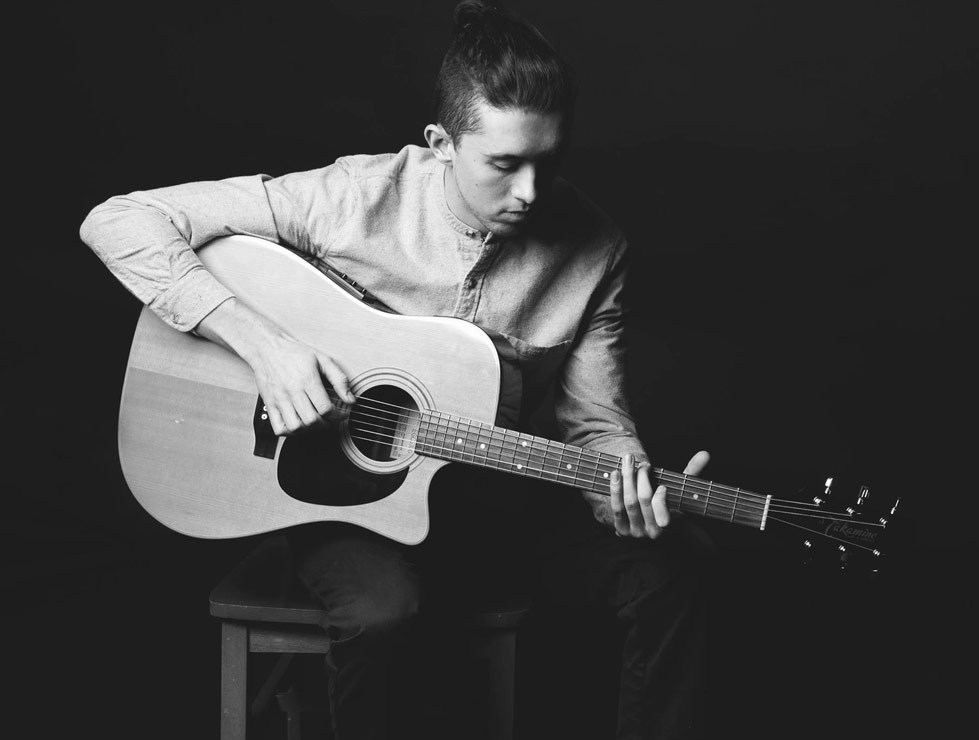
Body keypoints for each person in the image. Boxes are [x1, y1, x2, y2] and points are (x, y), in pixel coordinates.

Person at [80, 2, 716, 738]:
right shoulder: (352, 199)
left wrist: (626, 488)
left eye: (549, 161)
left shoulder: (596, 249)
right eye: (504, 165)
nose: (531, 192)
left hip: (494, 502)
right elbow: (118, 221)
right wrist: (267, 348)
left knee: (679, 566)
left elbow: (596, 425)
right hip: (346, 499)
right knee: (381, 610)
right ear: (441, 143)